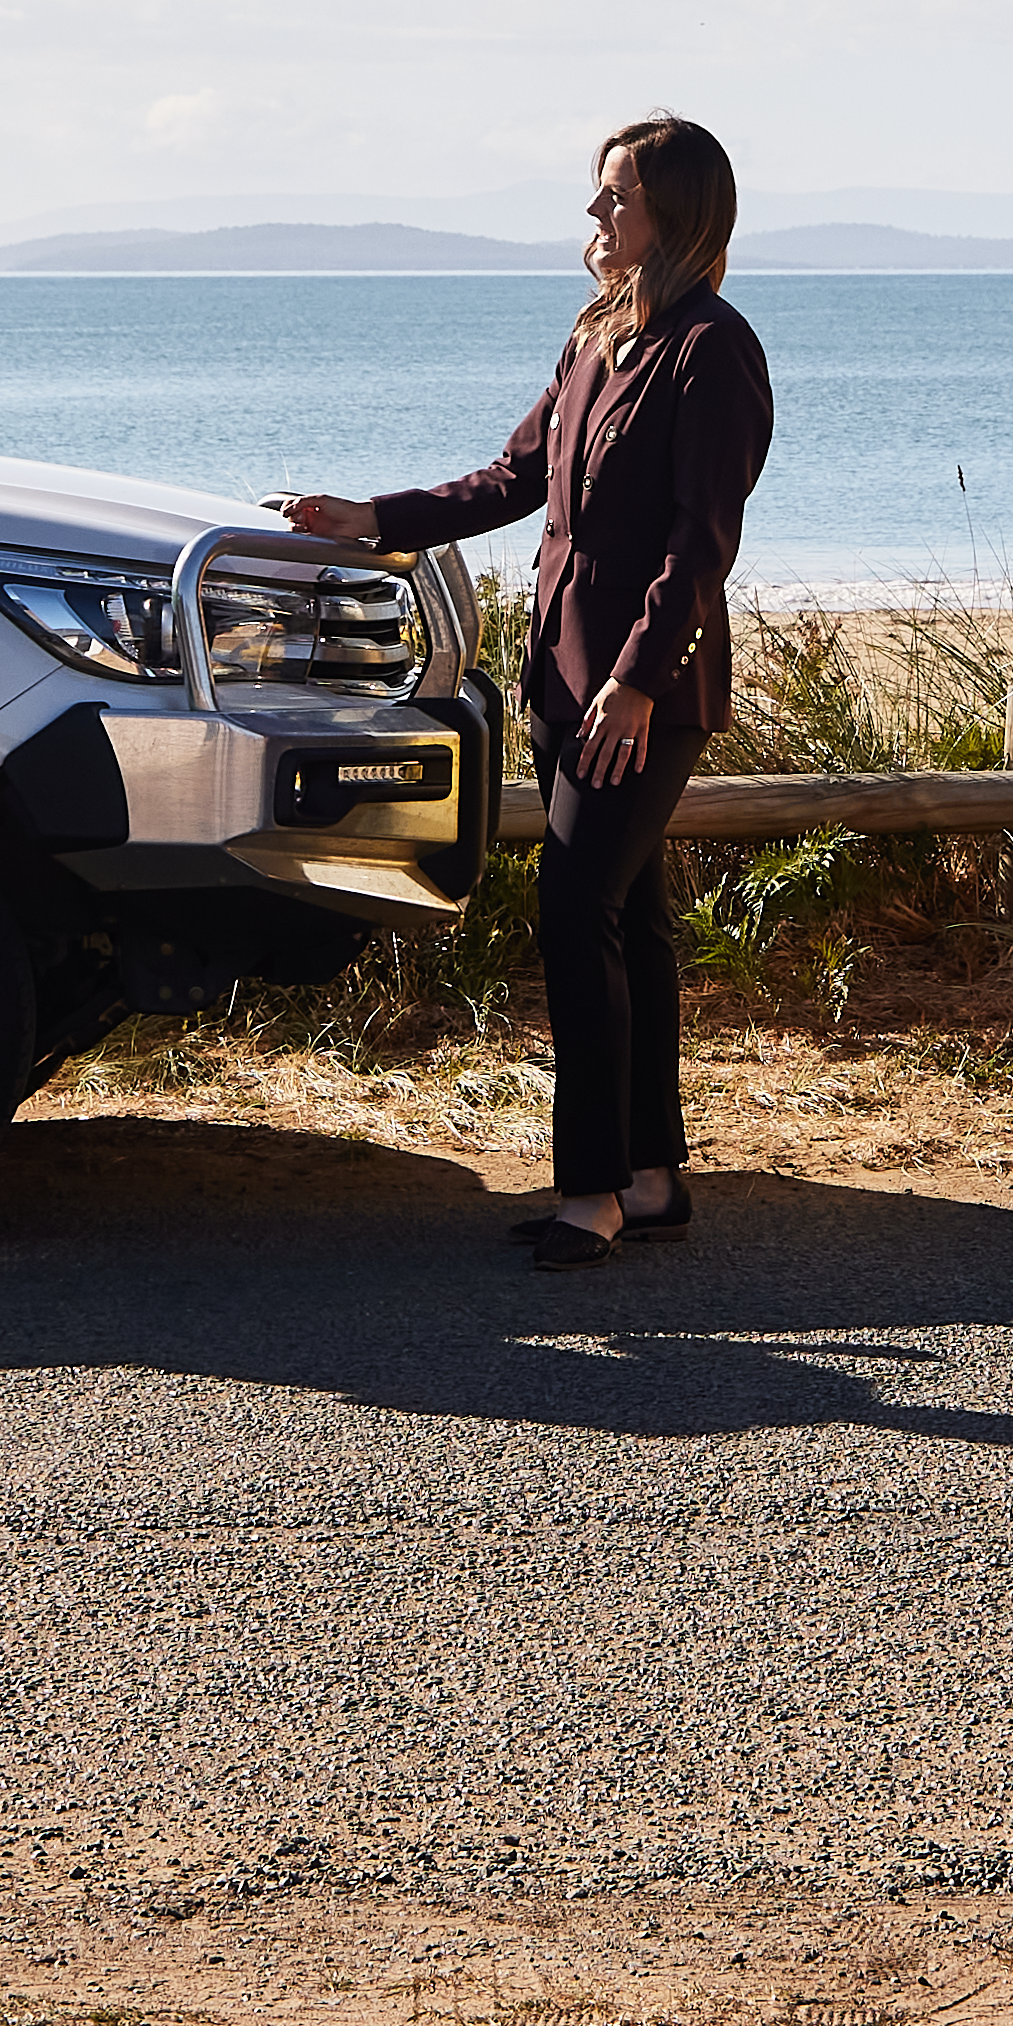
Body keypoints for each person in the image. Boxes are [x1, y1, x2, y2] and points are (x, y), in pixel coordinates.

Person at [284, 113, 769, 1269]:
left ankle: (591, 1189)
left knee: (573, 912)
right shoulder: (596, 333)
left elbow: (701, 543)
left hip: (636, 693)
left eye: (616, 197)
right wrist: (377, 518)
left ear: (675, 212)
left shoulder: (713, 348)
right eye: (597, 196)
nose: (595, 216)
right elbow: (511, 476)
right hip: (562, 679)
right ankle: (651, 1174)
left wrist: (637, 683)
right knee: (629, 923)